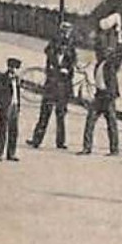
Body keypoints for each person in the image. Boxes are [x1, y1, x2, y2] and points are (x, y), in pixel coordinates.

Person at [29, 21, 77, 149]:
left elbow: (73, 63)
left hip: (63, 87)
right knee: (45, 113)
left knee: (60, 115)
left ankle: (60, 142)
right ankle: (36, 140)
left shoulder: (71, 47)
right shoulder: (52, 46)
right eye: (64, 31)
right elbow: (49, 56)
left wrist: (67, 70)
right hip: (52, 86)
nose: (65, 34)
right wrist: (58, 68)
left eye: (67, 32)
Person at [79, 43, 122, 156]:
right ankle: (87, 148)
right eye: (103, 52)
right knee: (90, 121)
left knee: (111, 124)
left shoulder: (111, 64)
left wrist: (120, 40)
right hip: (99, 95)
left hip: (108, 97)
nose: (102, 54)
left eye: (107, 52)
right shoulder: (99, 64)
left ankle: (114, 149)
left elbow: (120, 56)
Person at [0, 57, 25, 161]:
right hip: (6, 107)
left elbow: (17, 93)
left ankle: (11, 153)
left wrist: (18, 105)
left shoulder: (17, 79)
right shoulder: (2, 78)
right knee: (3, 130)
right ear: (8, 67)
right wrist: (1, 105)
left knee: (14, 131)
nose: (14, 70)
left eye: (16, 68)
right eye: (12, 67)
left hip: (15, 106)